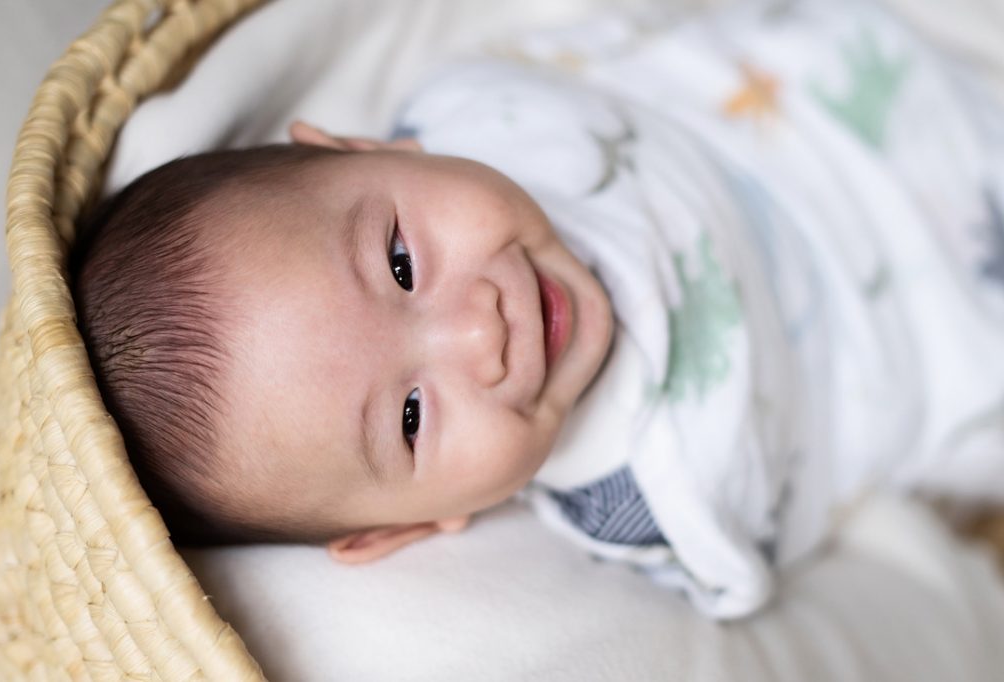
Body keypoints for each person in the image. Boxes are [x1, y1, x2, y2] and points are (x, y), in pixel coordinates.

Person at [71, 0, 1004, 618]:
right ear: (410, 527)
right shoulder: (646, 496)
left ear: (355, 146)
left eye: (400, 261)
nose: (481, 329)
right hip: (959, 336)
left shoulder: (481, 103)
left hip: (889, 69)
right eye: (409, 416)